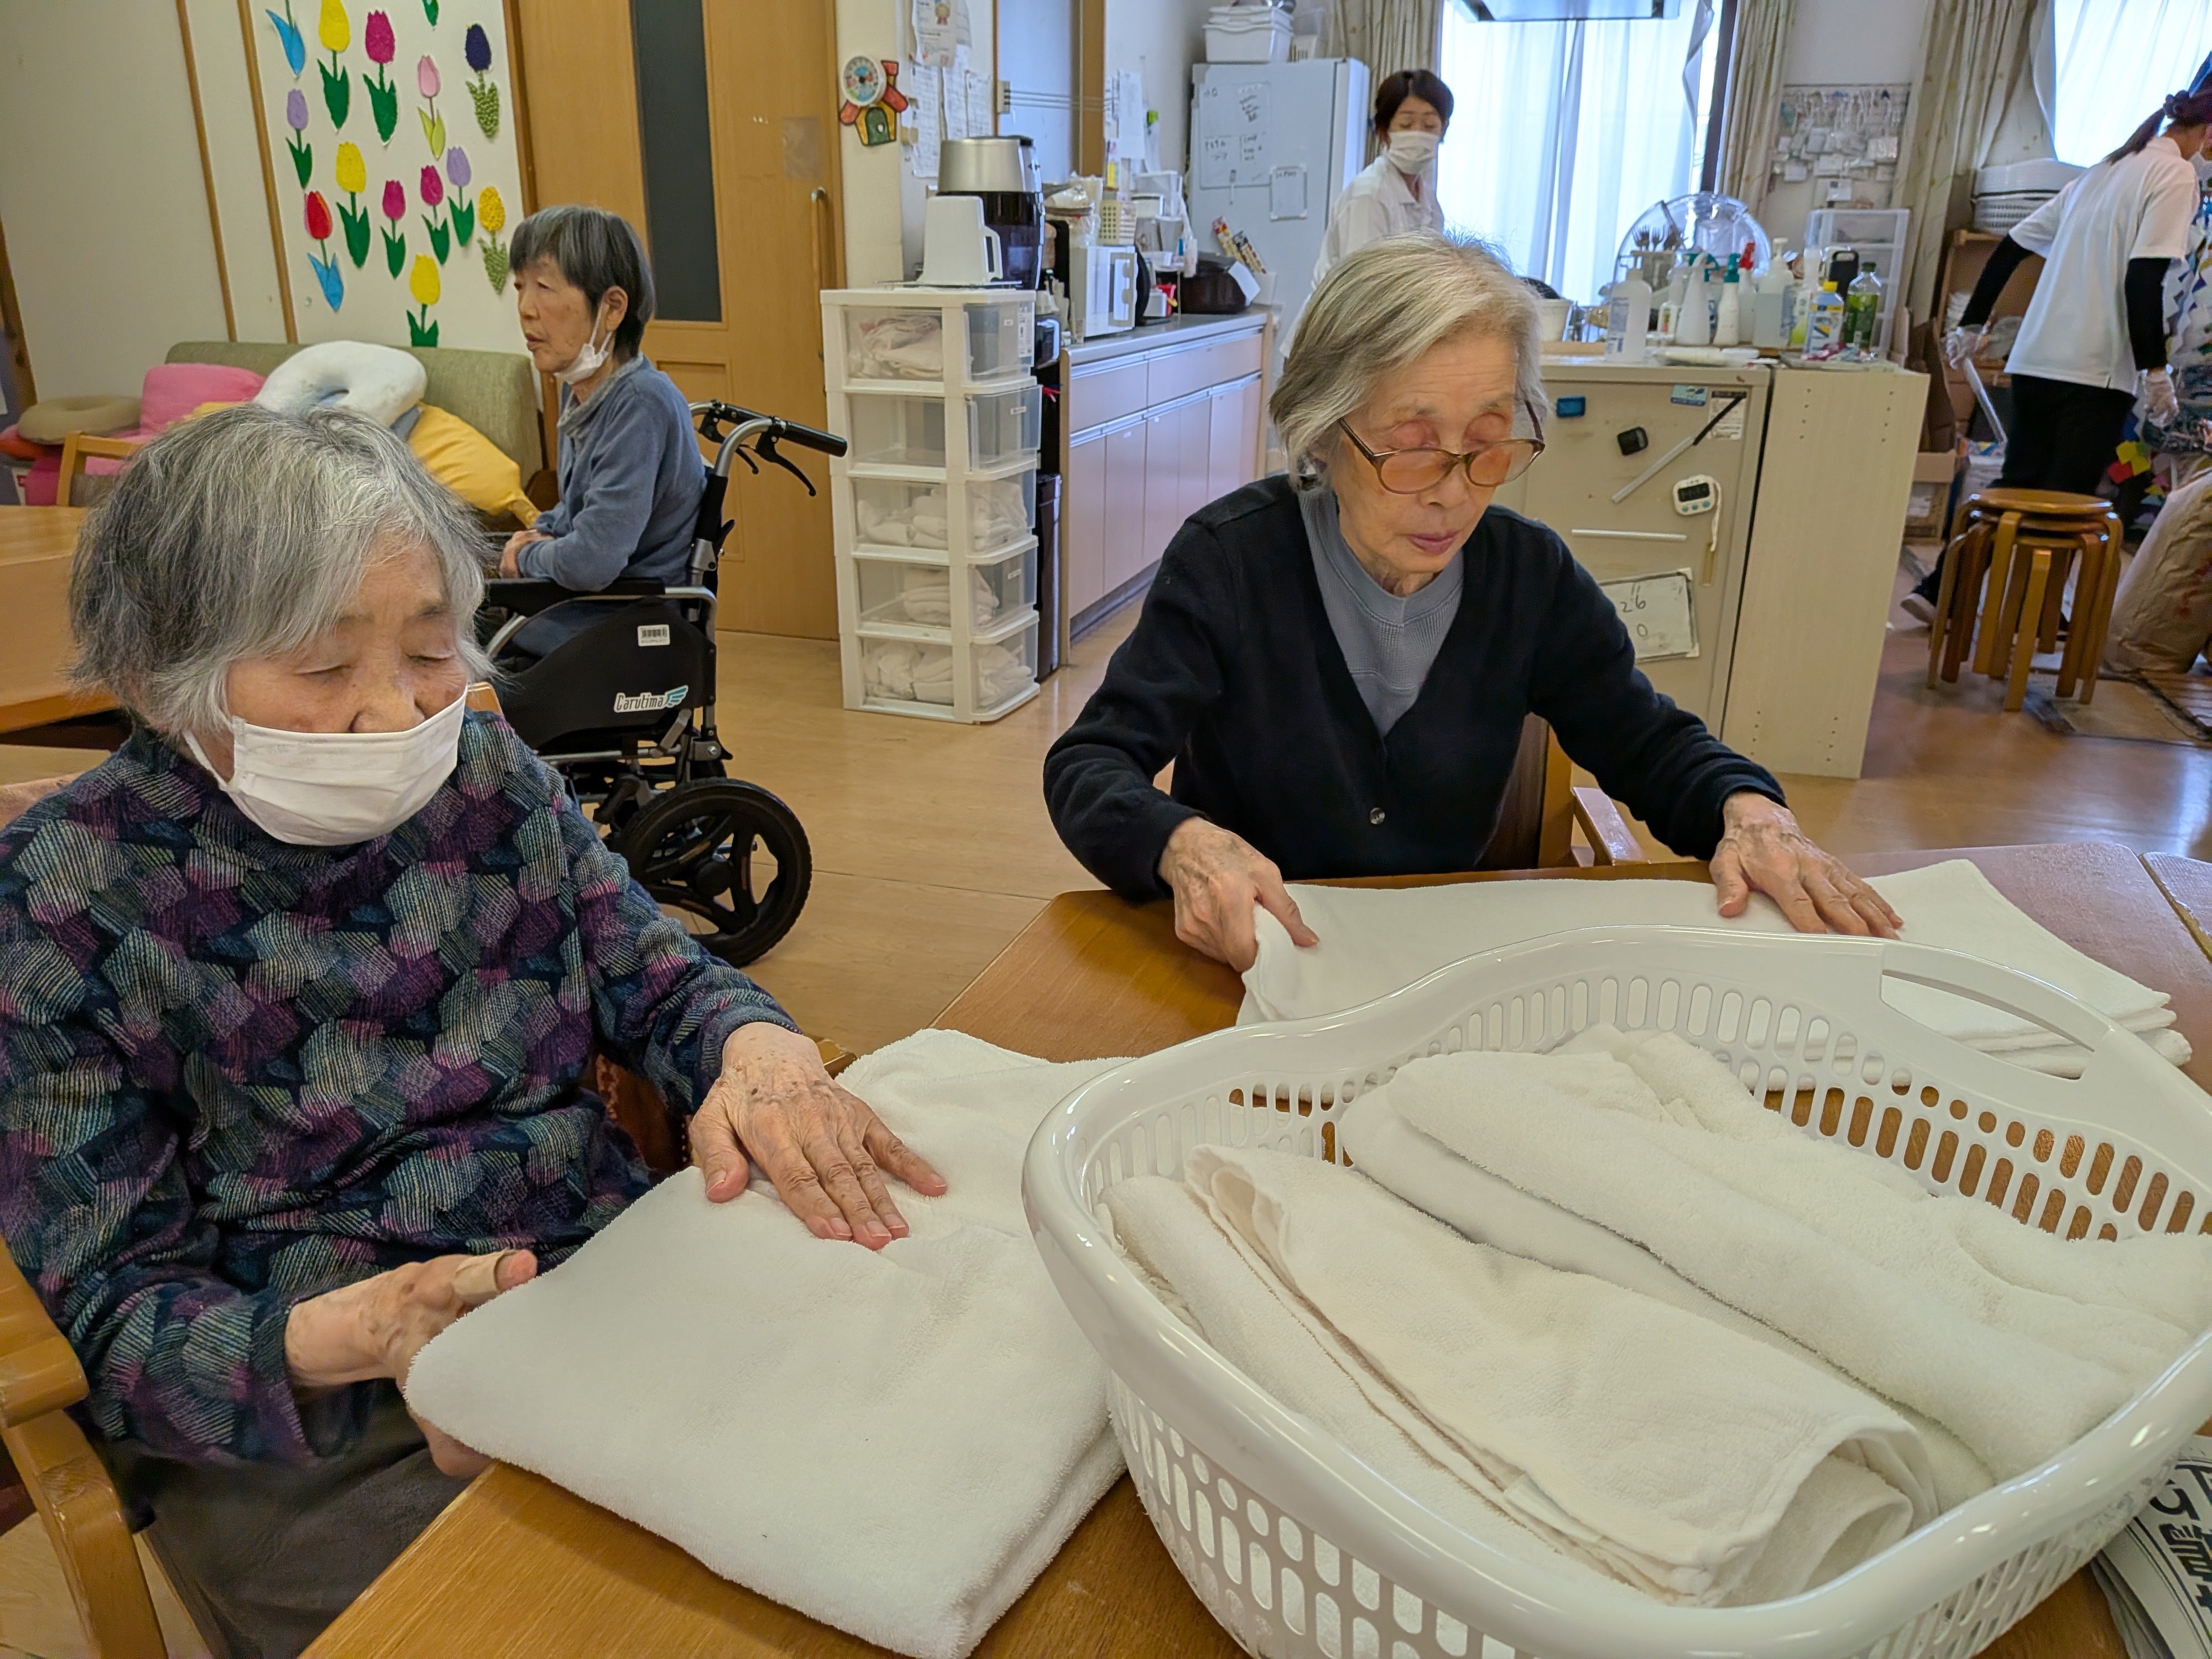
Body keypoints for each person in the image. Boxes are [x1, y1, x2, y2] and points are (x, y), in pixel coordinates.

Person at [0, 406, 943, 1658]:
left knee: (892, 1511)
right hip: (327, 1416)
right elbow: (113, 1319)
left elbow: (659, 976)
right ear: (162, 678)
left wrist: (757, 1050)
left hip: (607, 1289)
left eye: (430, 649)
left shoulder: (486, 771)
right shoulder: (63, 900)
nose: (397, 714)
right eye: (324, 669)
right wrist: (364, 1334)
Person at [1044, 234, 1898, 972]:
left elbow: (1647, 742)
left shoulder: (1529, 578)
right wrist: (1180, 844)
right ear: (1322, 430)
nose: (1453, 494)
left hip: (1447, 965)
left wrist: (1750, 812)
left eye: (1488, 445)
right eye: (1412, 448)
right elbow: (1091, 762)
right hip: (1258, 961)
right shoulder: (1232, 562)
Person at [1905, 87, 2212, 623]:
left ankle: (1939, 592)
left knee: (2017, 483)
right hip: (2093, 369)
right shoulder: (2174, 175)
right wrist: (2153, 370)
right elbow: (2142, 278)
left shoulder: (2103, 171)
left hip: (2035, 360)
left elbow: (2011, 246)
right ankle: (2035, 616)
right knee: (2065, 501)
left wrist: (1972, 322)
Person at [497, 205, 703, 603]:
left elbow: (591, 562)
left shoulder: (640, 405)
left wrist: (526, 557)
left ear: (612, 309)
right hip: (589, 604)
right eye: (520, 286)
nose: (525, 308)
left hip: (627, 614)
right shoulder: (579, 389)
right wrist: (537, 534)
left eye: (544, 286)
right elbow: (577, 512)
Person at [1312, 69, 1451, 289]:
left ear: (1443, 130)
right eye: (1406, 125)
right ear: (1384, 131)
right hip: (1351, 309)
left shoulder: (1429, 200)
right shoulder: (1369, 195)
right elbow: (1362, 285)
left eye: (1430, 126)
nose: (1418, 134)